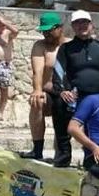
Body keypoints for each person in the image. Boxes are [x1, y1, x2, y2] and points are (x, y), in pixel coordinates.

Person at [54, 10, 99, 165]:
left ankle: (94, 157)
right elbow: (58, 71)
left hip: (98, 97)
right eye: (78, 23)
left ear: (91, 24)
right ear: (73, 26)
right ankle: (63, 155)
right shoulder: (66, 48)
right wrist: (62, 90)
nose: (82, 26)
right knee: (59, 104)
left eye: (85, 22)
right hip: (76, 96)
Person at [19, 12, 68, 164]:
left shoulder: (70, 46)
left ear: (59, 28)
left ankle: (60, 153)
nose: (46, 34)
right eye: (43, 31)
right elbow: (38, 71)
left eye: (49, 30)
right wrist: (37, 90)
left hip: (66, 94)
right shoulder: (40, 46)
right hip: (48, 91)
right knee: (36, 101)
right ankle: (37, 149)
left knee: (64, 113)